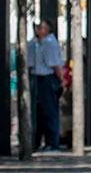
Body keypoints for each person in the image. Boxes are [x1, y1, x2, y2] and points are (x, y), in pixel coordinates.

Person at [26, 20, 63, 152]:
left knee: (49, 111)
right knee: (39, 112)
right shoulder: (36, 43)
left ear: (46, 30)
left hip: (47, 78)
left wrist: (61, 80)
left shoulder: (49, 43)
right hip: (38, 78)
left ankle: (53, 143)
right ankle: (39, 141)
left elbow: (55, 64)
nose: (37, 30)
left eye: (40, 28)